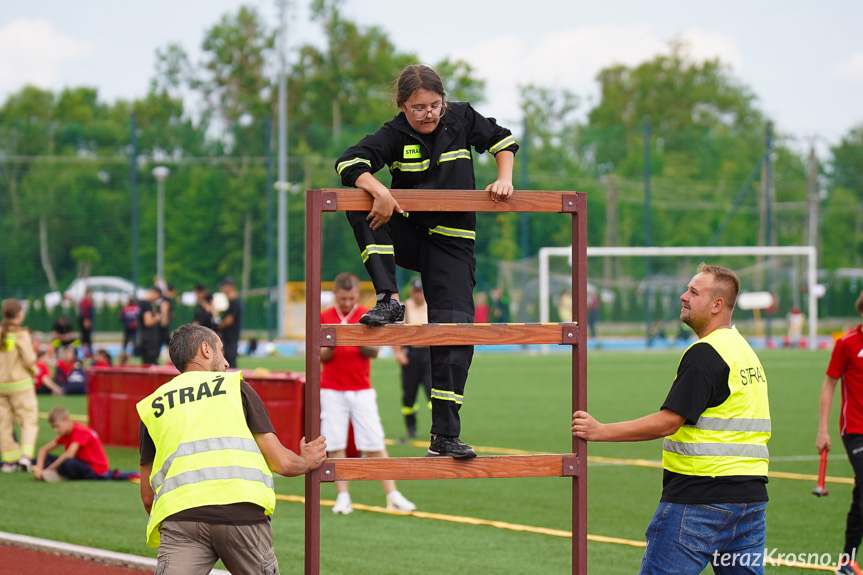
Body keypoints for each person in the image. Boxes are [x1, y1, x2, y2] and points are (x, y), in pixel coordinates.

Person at [334, 64, 517, 459]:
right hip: (410, 233)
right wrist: (379, 189)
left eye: (435, 105)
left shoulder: (462, 117)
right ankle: (388, 299)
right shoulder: (394, 133)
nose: (429, 113)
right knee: (357, 203)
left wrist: (505, 179)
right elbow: (348, 163)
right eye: (418, 108)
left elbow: (503, 141)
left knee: (454, 334)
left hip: (453, 246)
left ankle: (444, 436)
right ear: (403, 107)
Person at [572, 264, 770, 573]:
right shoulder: (745, 352)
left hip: (700, 499)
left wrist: (600, 431)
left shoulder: (706, 353)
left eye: (694, 292)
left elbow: (669, 422)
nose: (683, 296)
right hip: (750, 502)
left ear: (717, 305)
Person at [137, 323, 327, 574]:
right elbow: (282, 463)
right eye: (221, 351)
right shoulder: (234, 387)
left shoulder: (152, 405)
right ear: (205, 350)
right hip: (241, 516)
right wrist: (309, 461)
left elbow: (148, 497)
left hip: (180, 520)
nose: (226, 363)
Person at [321, 273, 416, 514]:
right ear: (335, 295)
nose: (346, 303)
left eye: (350, 298)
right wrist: (334, 341)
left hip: (362, 388)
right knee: (336, 442)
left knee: (374, 441)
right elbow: (319, 356)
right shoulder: (325, 316)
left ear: (357, 295)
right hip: (332, 388)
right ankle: (343, 497)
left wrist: (352, 336)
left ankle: (392, 494)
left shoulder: (367, 314)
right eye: (342, 298)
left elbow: (374, 352)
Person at [816, 290, 863, 575]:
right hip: (856, 431)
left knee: (861, 495)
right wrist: (823, 429)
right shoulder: (847, 344)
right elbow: (829, 385)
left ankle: (847, 561)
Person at [33, 406, 135, 482]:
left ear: (67, 420)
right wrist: (39, 469)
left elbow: (69, 454)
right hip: (81, 464)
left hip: (95, 469)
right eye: (53, 427)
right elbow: (43, 449)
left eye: (57, 426)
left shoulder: (80, 430)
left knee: (68, 463)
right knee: (46, 458)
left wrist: (48, 469)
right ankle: (55, 473)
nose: (55, 430)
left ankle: (57, 475)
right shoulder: (66, 434)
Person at [0, 299, 38, 473]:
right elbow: (29, 359)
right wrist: (34, 370)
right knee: (28, 421)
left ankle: (9, 461)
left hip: (1, 386)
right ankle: (25, 458)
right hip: (21, 385)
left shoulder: (2, 332)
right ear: (19, 315)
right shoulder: (21, 335)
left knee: (3, 424)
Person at [393, 279, 432, 440]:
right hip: (411, 355)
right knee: (409, 395)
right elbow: (397, 332)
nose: (419, 294)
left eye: (421, 291)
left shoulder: (431, 305)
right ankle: (411, 428)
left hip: (429, 355)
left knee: (433, 394)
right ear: (412, 292)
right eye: (416, 291)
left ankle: (439, 430)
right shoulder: (405, 306)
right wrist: (398, 352)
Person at [217, 277, 241, 368]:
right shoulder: (230, 302)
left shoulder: (234, 302)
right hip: (228, 336)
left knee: (230, 360)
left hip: (231, 335)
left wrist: (219, 326)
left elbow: (229, 320)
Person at [138, 286, 164, 365]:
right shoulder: (147, 304)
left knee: (145, 362)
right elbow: (148, 322)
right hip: (149, 337)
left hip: (143, 336)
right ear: (154, 293)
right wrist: (157, 318)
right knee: (151, 362)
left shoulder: (140, 303)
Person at [78, 287, 94, 358]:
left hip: (88, 320)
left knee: (88, 338)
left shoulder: (89, 301)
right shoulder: (84, 301)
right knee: (85, 338)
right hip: (85, 320)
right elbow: (84, 312)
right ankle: (86, 353)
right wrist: (86, 320)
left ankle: (89, 352)